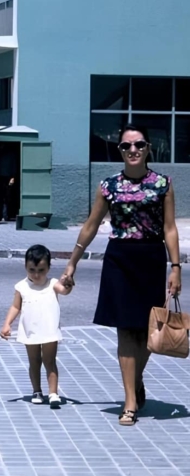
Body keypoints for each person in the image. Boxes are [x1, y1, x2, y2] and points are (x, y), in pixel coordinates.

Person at [60, 123, 181, 426]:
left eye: (139, 144)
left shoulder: (162, 184)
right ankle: (130, 401)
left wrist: (176, 267)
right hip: (120, 260)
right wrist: (73, 261)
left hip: (151, 259)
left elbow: (169, 228)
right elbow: (90, 225)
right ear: (120, 151)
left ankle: (135, 380)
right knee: (126, 331)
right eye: (126, 146)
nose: (133, 150)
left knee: (149, 332)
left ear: (149, 147)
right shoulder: (109, 186)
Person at [0, 245, 72, 408]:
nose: (37, 274)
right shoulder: (21, 286)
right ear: (26, 267)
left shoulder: (53, 284)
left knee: (50, 361)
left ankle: (53, 393)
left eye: (41, 270)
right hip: (29, 330)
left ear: (48, 268)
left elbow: (65, 291)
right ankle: (37, 391)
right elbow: (15, 307)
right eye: (32, 270)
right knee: (34, 361)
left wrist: (68, 284)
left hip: (49, 329)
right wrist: (7, 324)